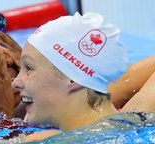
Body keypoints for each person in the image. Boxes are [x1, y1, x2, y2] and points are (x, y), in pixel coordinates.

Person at [10, 12, 155, 142]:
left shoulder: (46, 139)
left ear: (72, 78)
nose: (15, 82)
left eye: (29, 67)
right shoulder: (136, 121)